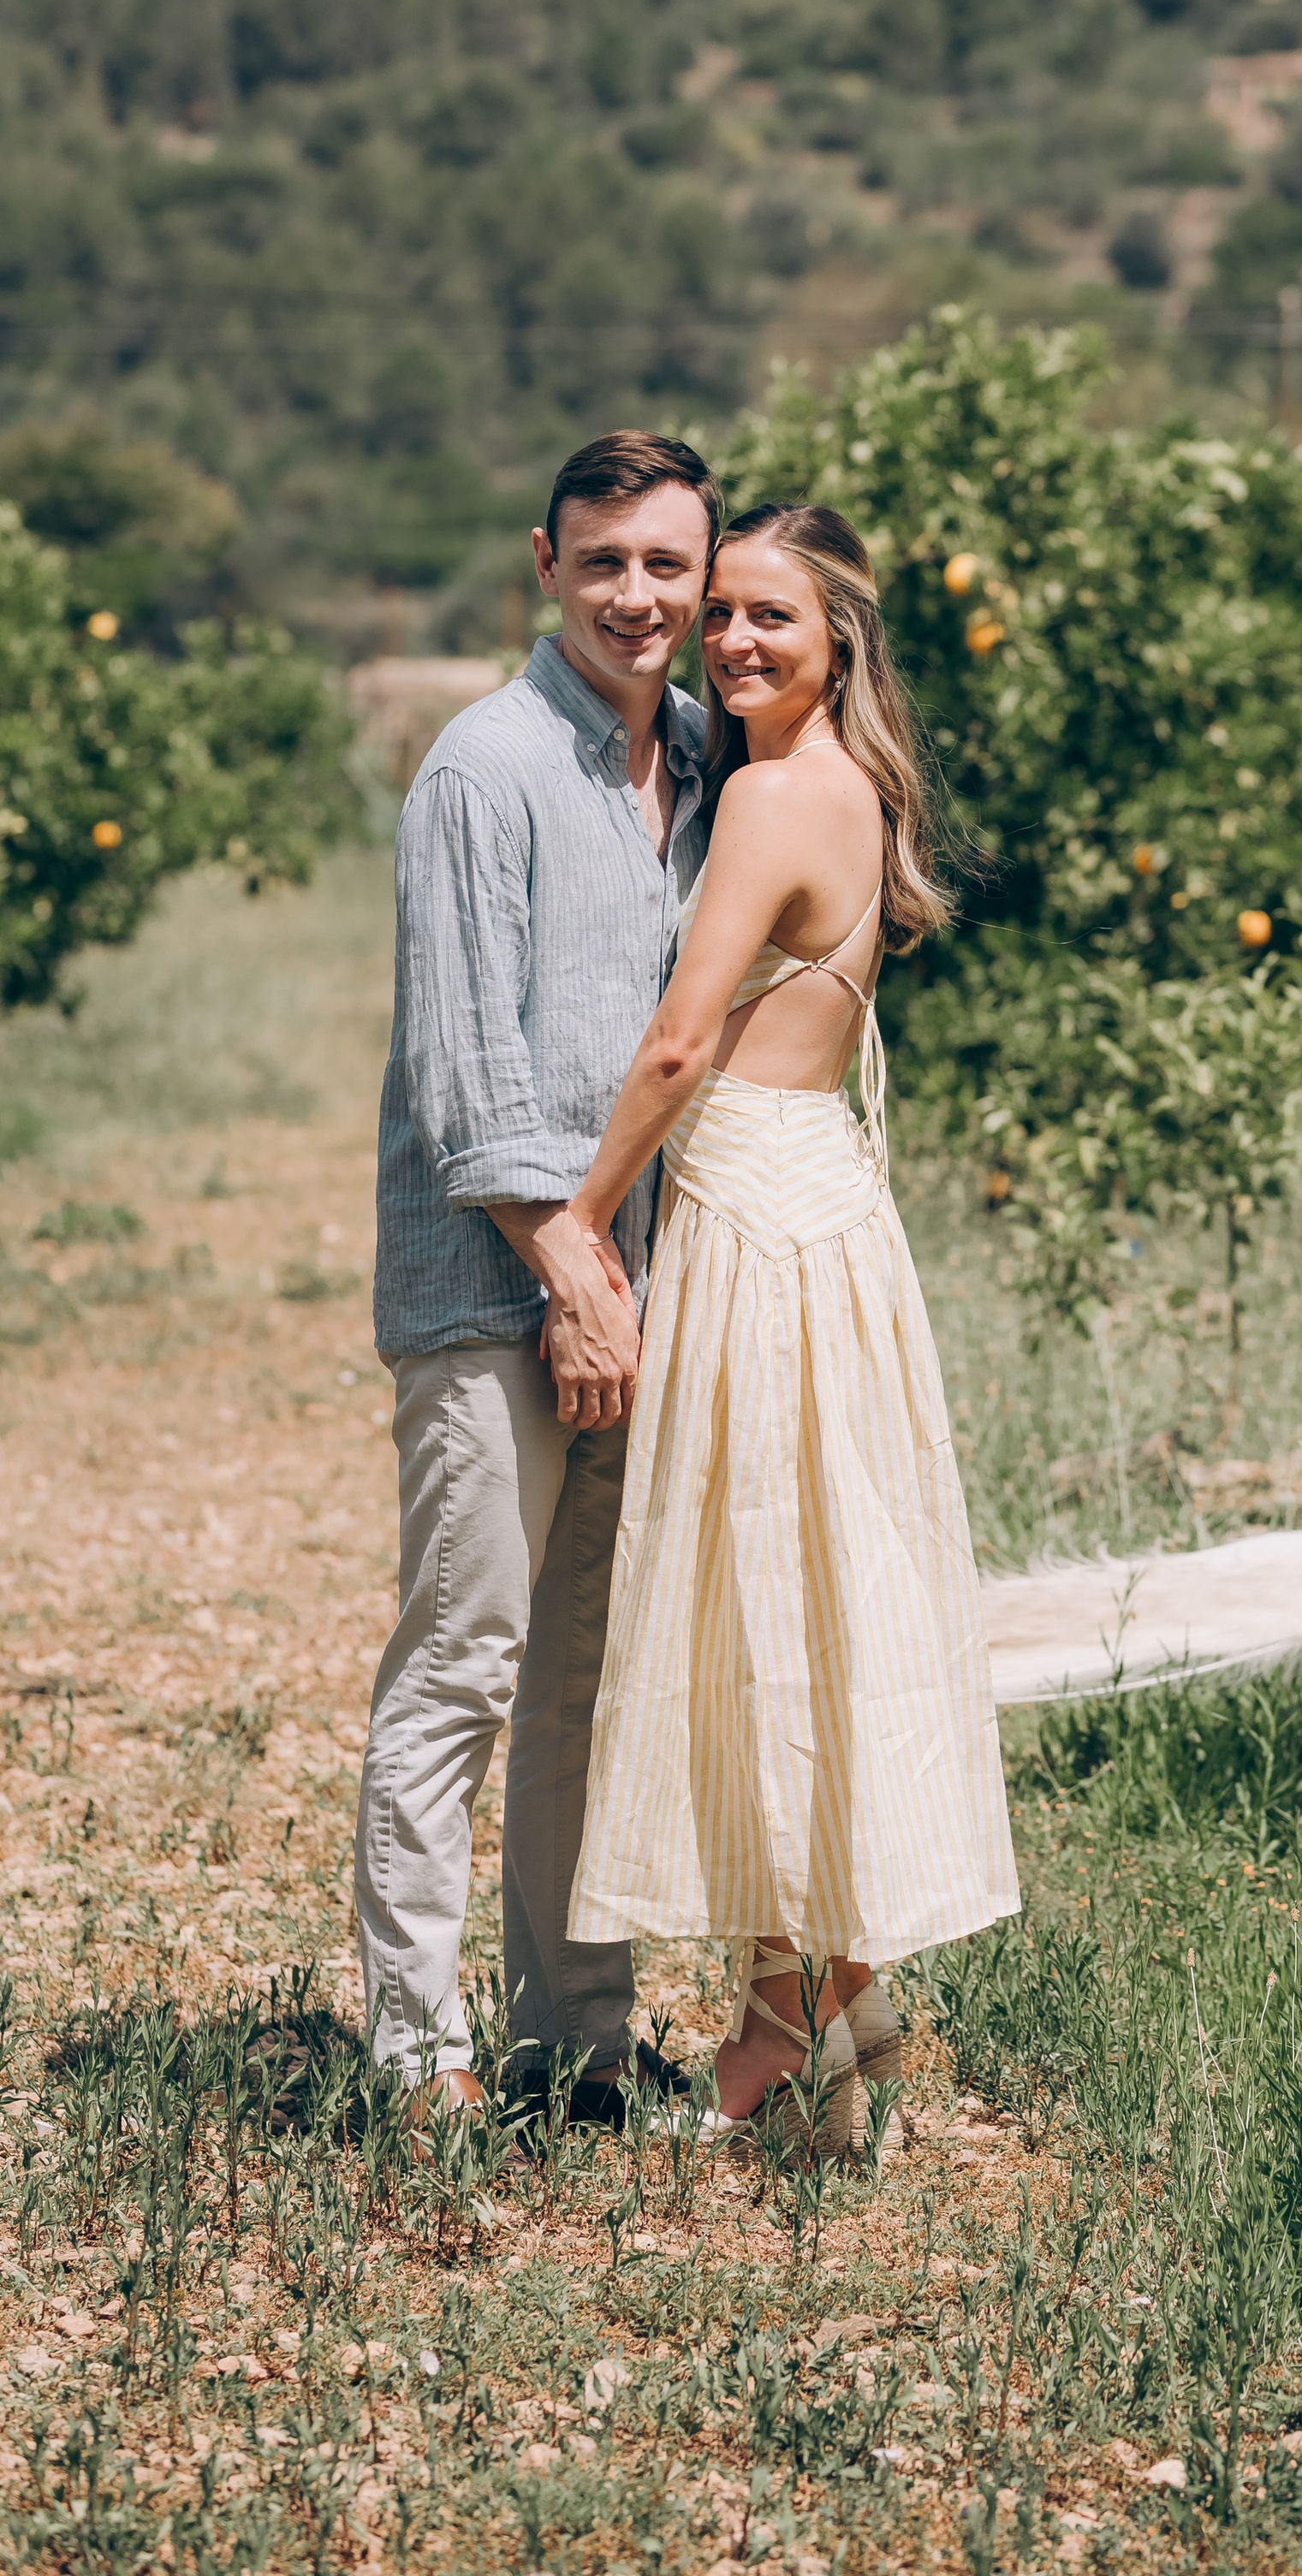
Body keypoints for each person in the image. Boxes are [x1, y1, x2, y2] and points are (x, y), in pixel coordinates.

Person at [563, 501, 1019, 2152]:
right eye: (725, 615)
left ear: (839, 641)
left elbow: (684, 1044)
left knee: (759, 1603)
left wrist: (576, 1216)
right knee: (816, 1599)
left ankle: (789, 2011)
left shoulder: (763, 795)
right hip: (830, 1204)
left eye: (776, 619)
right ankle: (828, 1983)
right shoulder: (856, 788)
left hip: (757, 1217)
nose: (736, 642)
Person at [357, 431, 717, 2120]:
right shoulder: (483, 769)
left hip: (633, 1289)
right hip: (499, 1286)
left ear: (703, 574)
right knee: (468, 1655)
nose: (635, 596)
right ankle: (414, 2053)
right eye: (603, 563)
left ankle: (573, 2036)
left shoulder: (697, 766)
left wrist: (625, 1286)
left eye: (665, 563)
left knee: (584, 1671)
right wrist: (572, 1277)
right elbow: (460, 1070)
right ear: (542, 563)